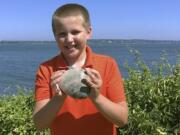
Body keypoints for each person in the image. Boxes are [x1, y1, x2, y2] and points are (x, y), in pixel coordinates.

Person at [33, 3, 128, 135]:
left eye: (75, 32)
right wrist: (58, 98)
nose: (69, 39)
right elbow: (39, 124)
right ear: (55, 36)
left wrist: (96, 97)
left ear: (88, 32)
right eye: (62, 34)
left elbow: (122, 119)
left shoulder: (107, 64)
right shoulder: (46, 69)